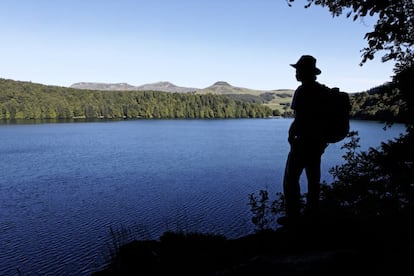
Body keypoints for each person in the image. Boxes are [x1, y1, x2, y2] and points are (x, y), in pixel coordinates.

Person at [280, 55, 329, 225]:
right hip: (318, 143)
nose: (296, 73)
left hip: (303, 142)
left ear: (305, 72)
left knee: (290, 179)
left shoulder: (302, 90)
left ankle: (293, 216)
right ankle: (312, 213)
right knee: (313, 179)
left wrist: (291, 136)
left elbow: (299, 119)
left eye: (298, 70)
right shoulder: (322, 90)